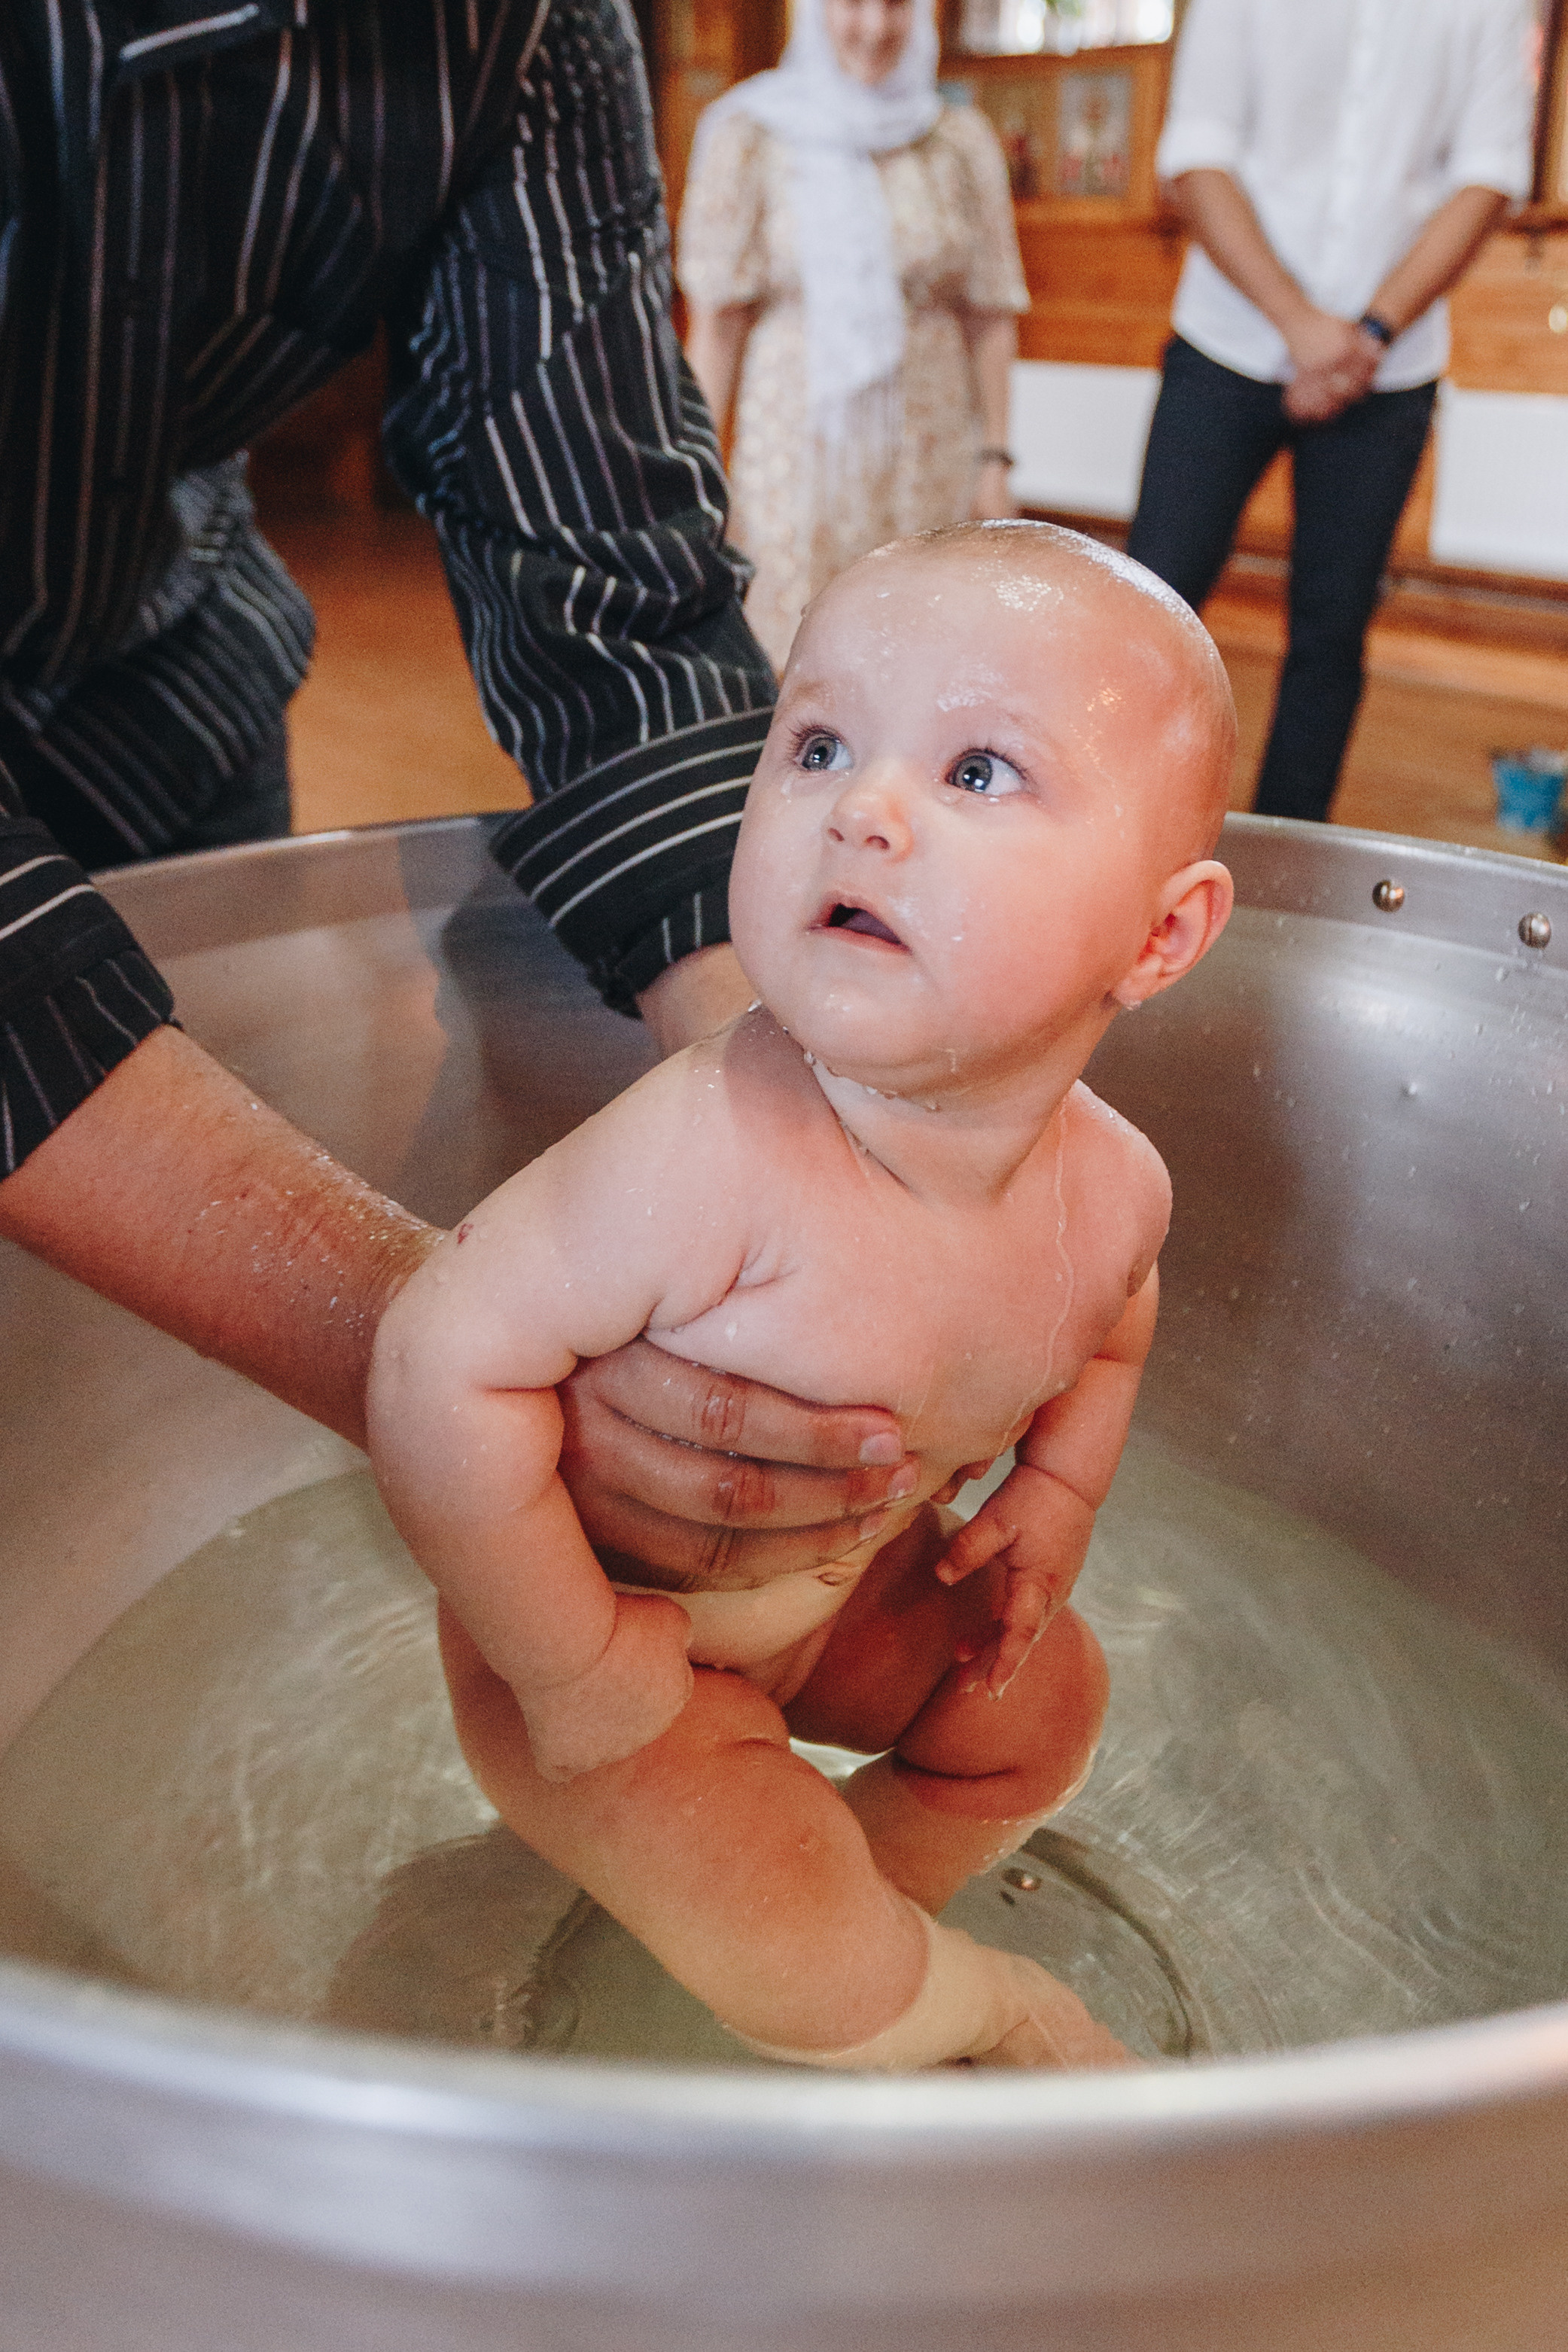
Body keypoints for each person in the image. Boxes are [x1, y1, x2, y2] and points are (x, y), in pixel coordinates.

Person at [0, 0, 930, 1589]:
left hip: (167, 693)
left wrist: (833, 1177)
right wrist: (460, 1361)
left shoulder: (525, 30)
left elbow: (613, 601)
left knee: (161, 1452)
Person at [367, 519, 1237, 2073]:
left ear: (1162, 935)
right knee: (801, 1963)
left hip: (844, 1594)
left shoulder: (1118, 1185)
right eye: (820, 743)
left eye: (978, 772)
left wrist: (1057, 1492)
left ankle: (863, 1887)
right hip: (620, 1647)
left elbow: (1115, 1315)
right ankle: (947, 1999)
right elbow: (436, 1358)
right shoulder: (710, 1150)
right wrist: (569, 1661)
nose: (864, 812)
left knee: (1038, 1703)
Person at [1125, 0, 1534, 826]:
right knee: (1148, 608)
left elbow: (1488, 176)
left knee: (1331, 635)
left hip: (1390, 366)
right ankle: (1112, 823)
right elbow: (1197, 156)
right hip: (1225, 340)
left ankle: (1286, 856)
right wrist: (1300, 324)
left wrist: (1371, 331)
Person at [677, 0, 1029, 673]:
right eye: (851, 4)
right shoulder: (751, 134)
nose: (874, 28)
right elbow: (716, 328)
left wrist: (994, 461)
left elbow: (990, 314)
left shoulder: (956, 141)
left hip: (926, 457)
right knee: (792, 661)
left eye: (896, 5)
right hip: (793, 462)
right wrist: (695, 480)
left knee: (920, 660)